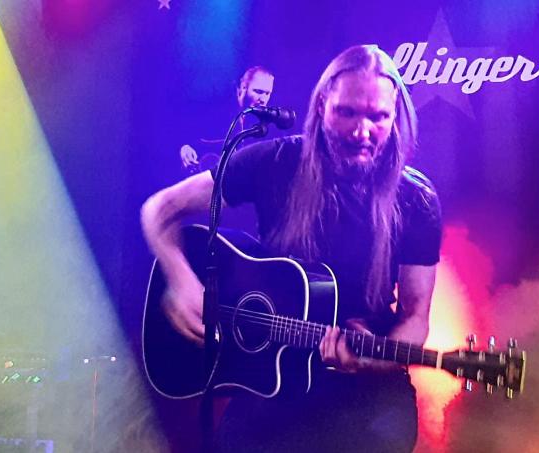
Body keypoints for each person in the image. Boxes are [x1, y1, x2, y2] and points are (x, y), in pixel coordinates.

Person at [141, 45, 442, 452]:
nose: (362, 131)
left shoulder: (415, 199)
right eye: (347, 112)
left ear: (395, 116)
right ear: (322, 104)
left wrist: (375, 360)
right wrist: (181, 280)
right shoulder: (275, 162)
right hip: (270, 388)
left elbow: (416, 316)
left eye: (378, 117)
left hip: (367, 400)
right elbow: (159, 210)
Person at [179, 66, 275, 173]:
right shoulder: (214, 109)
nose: (263, 99)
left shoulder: (265, 125)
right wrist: (185, 147)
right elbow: (184, 131)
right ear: (243, 88)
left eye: (268, 93)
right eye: (258, 92)